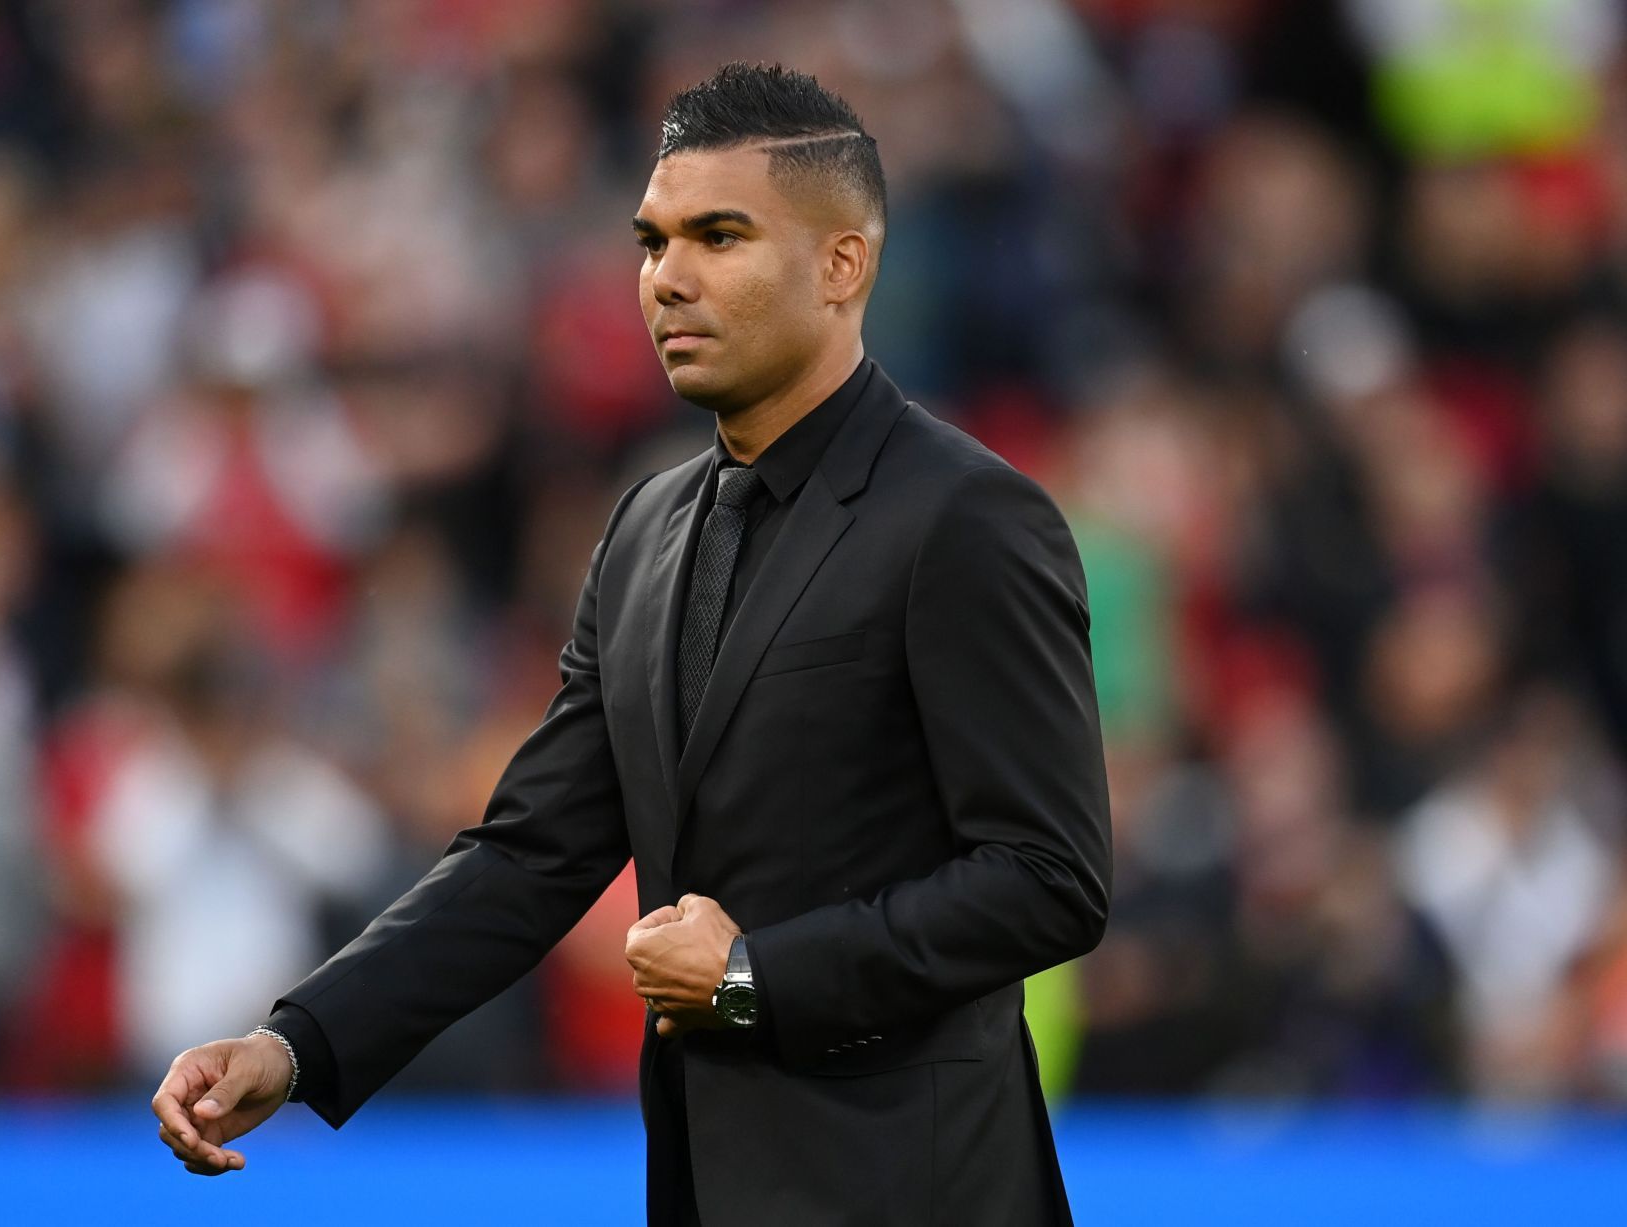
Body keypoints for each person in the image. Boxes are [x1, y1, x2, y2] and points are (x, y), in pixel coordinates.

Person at [150, 62, 1112, 1226]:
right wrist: (296, 1044)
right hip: (705, 1189)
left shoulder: (968, 518)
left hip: (919, 1191)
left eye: (719, 236)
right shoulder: (646, 531)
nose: (669, 279)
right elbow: (529, 855)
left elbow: (1048, 879)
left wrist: (757, 979)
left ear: (842, 265)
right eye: (653, 242)